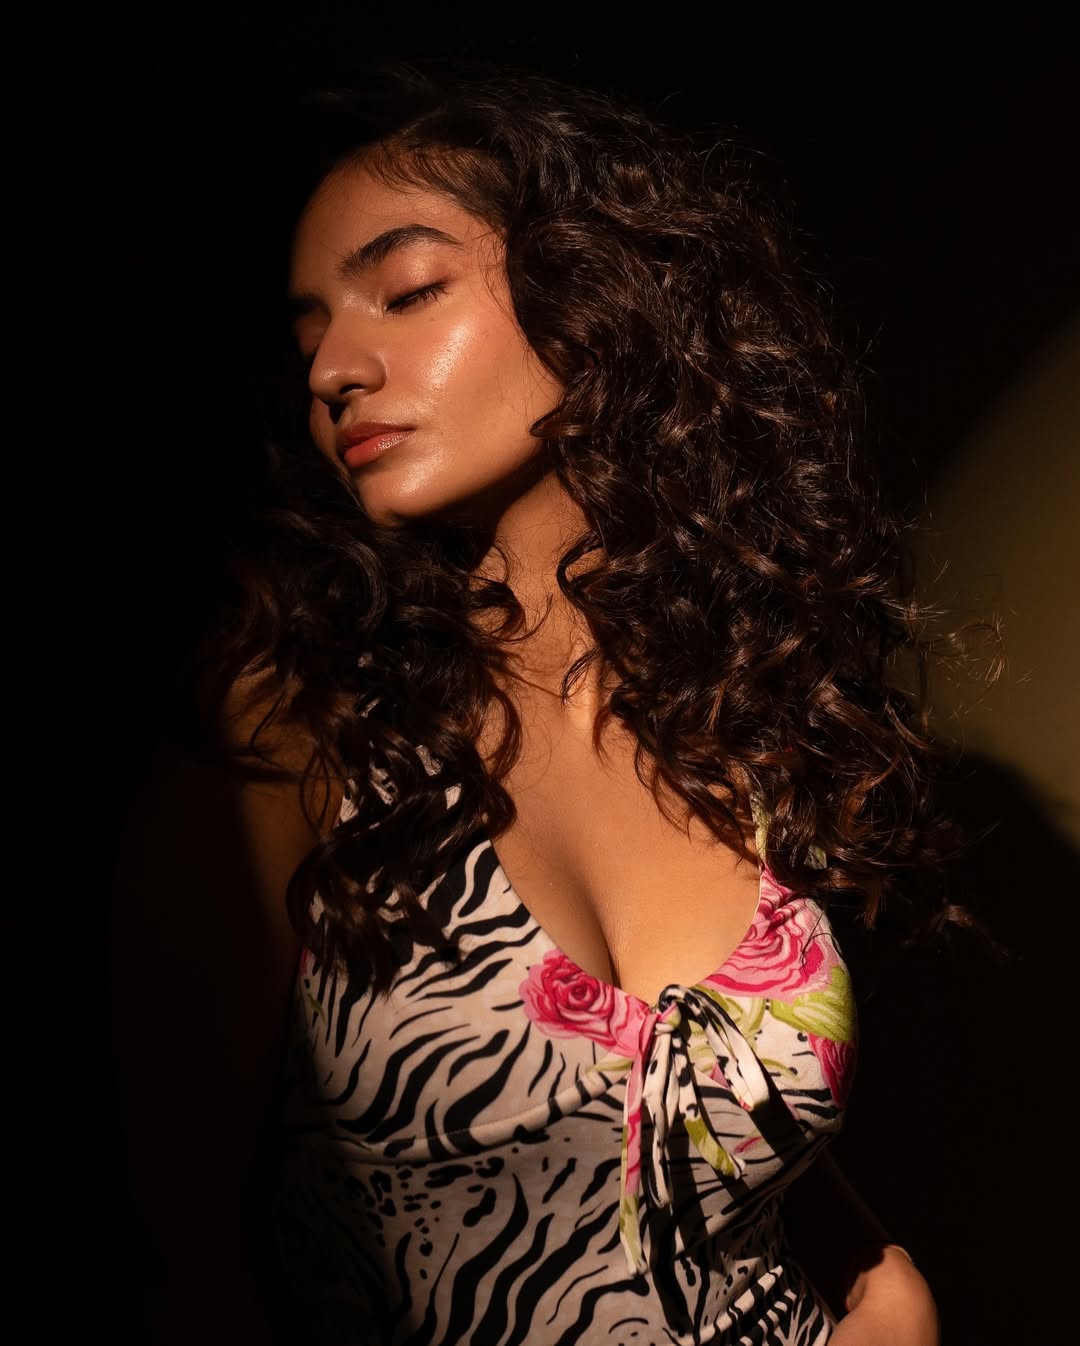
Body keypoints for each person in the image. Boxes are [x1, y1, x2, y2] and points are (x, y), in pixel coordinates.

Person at [113, 61, 967, 1345]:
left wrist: (883, 1284)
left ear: (588, 298)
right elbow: (158, 1237)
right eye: (307, 338)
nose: (335, 367)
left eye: (407, 291)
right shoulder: (301, 723)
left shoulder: (721, 704)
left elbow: (673, 1119)